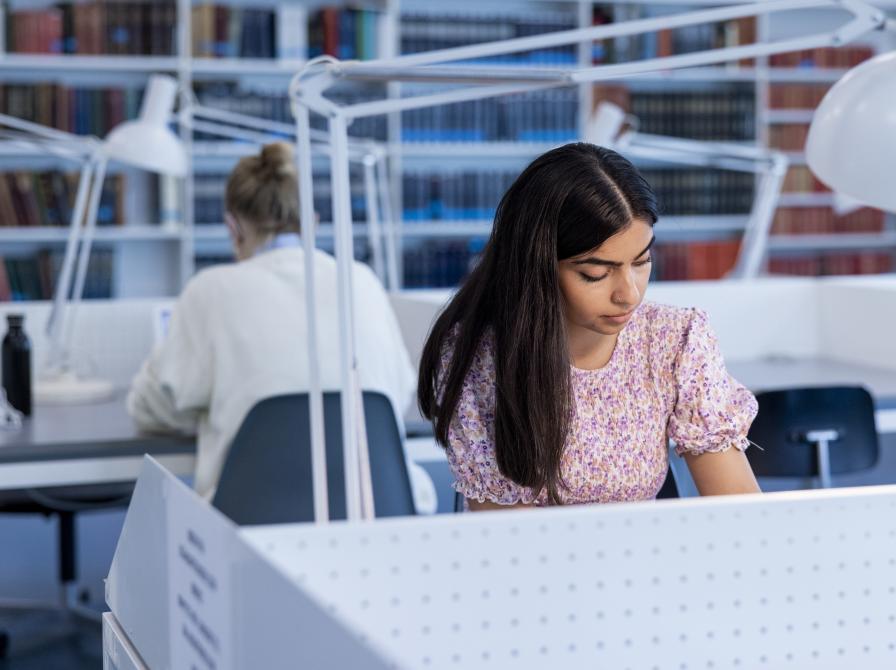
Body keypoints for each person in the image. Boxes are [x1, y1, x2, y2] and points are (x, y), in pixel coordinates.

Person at [417, 143, 760, 511]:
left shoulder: (675, 340)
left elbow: (744, 517)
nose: (628, 294)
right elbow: (509, 547)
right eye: (595, 274)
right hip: (540, 563)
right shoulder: (481, 358)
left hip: (648, 562)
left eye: (642, 261)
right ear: (538, 268)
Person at [128, 142, 430, 509]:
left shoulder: (211, 290)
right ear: (313, 223)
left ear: (233, 227)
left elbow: (153, 406)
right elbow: (397, 396)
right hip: (373, 514)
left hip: (252, 531)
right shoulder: (361, 280)